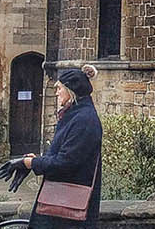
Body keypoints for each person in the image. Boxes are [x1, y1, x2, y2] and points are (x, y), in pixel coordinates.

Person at [23, 64, 103, 228]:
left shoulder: (84, 119)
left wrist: (34, 164)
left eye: (59, 88)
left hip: (68, 209)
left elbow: (67, 162)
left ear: (71, 90)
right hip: (60, 203)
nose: (57, 92)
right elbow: (63, 153)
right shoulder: (74, 115)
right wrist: (39, 160)